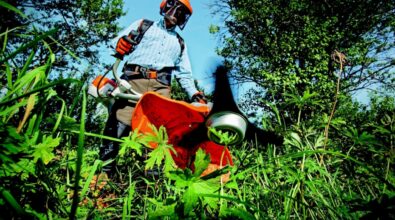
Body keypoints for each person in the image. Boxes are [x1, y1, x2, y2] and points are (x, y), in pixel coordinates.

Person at [99, 0, 207, 174]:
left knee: (158, 132)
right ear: (165, 6)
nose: (175, 13)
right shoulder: (144, 25)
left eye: (181, 12)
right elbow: (115, 43)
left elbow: (184, 74)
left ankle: (151, 181)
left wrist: (194, 93)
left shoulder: (180, 43)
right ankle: (104, 172)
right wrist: (121, 43)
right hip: (134, 80)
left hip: (160, 88)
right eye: (174, 8)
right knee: (120, 121)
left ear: (183, 19)